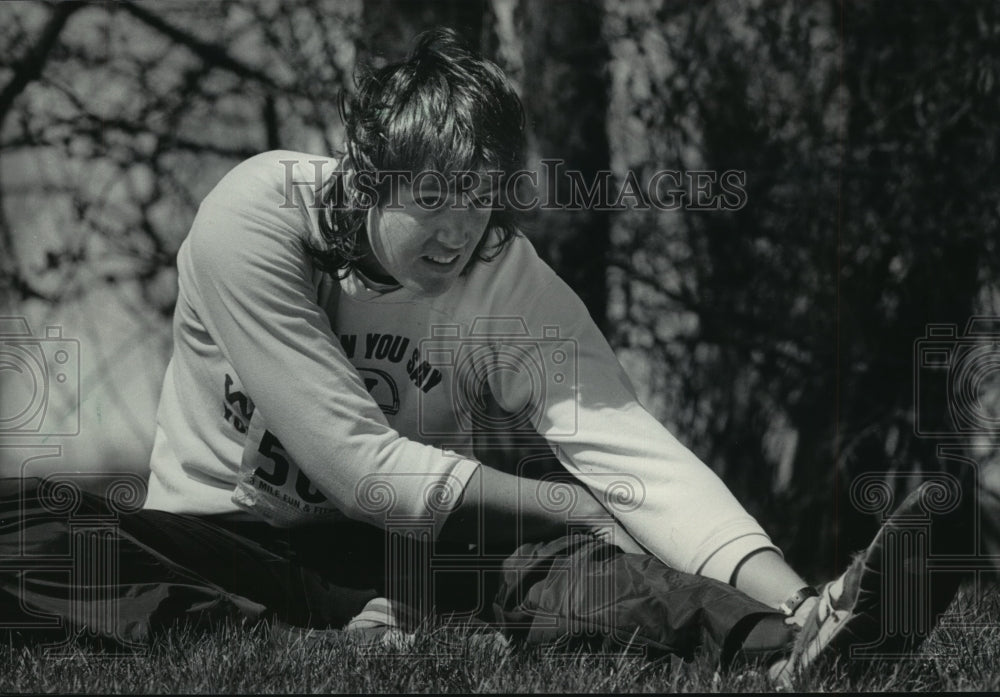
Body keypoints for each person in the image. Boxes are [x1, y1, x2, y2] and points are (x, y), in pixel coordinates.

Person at [0, 28, 963, 683]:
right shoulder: (253, 218)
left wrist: (792, 592)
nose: (462, 229)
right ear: (371, 171)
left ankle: (801, 645)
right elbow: (357, 464)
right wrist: (566, 499)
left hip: (394, 558)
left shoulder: (505, 280)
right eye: (436, 195)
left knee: (574, 567)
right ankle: (257, 632)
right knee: (24, 521)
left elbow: (635, 457)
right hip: (224, 542)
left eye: (484, 196)